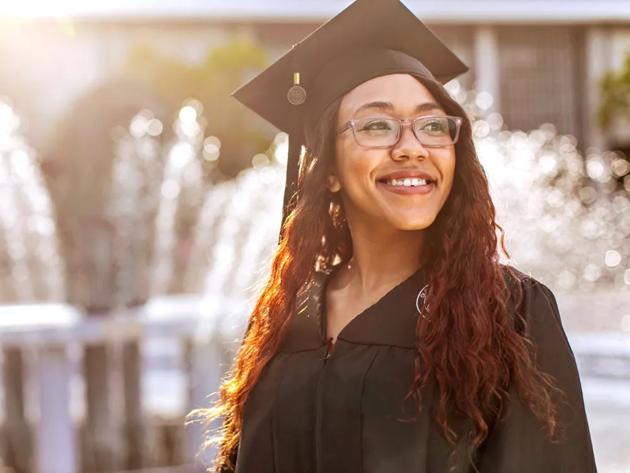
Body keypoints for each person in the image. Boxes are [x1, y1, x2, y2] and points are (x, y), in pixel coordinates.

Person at [196, 1, 598, 472]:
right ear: (328, 171)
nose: (411, 147)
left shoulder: (507, 311)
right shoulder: (288, 314)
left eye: (431, 126)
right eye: (376, 125)